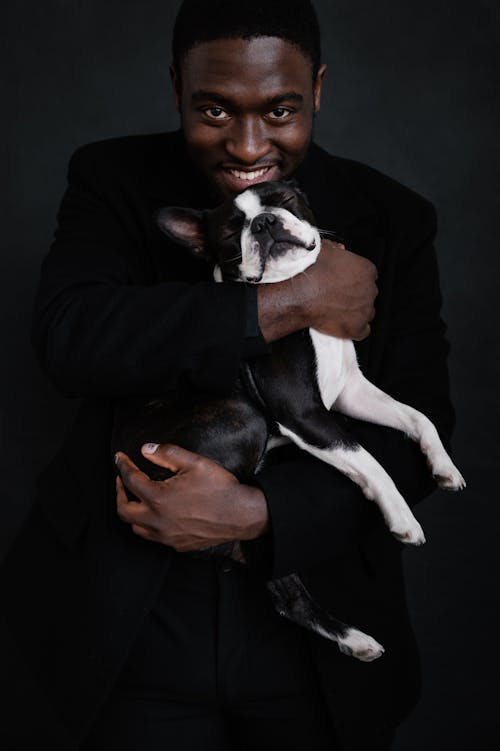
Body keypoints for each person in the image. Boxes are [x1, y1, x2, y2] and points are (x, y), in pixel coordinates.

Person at [1, 1, 456, 749]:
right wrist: (286, 301)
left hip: (318, 619)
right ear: (176, 85)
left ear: (318, 88)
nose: (248, 144)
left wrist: (262, 514)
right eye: (213, 108)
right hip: (129, 619)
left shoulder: (394, 216)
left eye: (281, 109)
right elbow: (71, 341)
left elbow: (422, 426)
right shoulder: (110, 179)